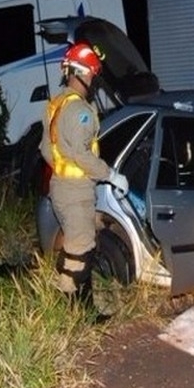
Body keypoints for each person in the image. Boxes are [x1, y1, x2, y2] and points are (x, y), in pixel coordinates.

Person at [40, 42, 129, 297]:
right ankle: (73, 308)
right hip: (76, 193)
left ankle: (78, 302)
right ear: (79, 72)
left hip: (60, 187)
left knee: (77, 246)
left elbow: (46, 149)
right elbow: (82, 155)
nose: (93, 78)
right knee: (80, 252)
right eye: (91, 73)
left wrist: (64, 169)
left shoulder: (56, 105)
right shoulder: (80, 111)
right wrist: (111, 175)